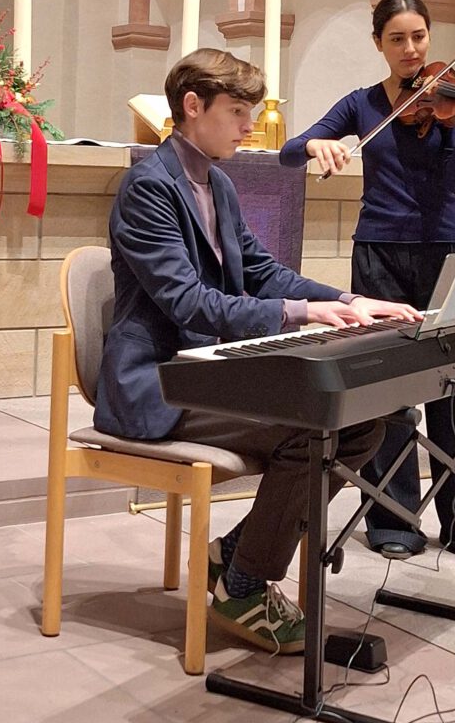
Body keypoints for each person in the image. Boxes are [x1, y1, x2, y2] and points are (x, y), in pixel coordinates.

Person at [94, 48, 421, 655]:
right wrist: (302, 314)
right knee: (312, 430)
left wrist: (350, 300)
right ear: (193, 107)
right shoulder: (148, 188)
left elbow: (264, 272)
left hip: (209, 373)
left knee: (362, 423)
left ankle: (235, 559)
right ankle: (244, 583)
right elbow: (189, 303)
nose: (251, 126)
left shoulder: (217, 181)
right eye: (238, 111)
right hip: (157, 384)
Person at [279, 0, 455, 560]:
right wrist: (320, 143)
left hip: (444, 249)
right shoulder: (361, 104)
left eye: (419, 37)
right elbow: (288, 151)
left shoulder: (451, 98)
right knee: (388, 391)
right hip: (378, 253)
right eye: (397, 38)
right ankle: (394, 520)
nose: (410, 49)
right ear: (378, 43)